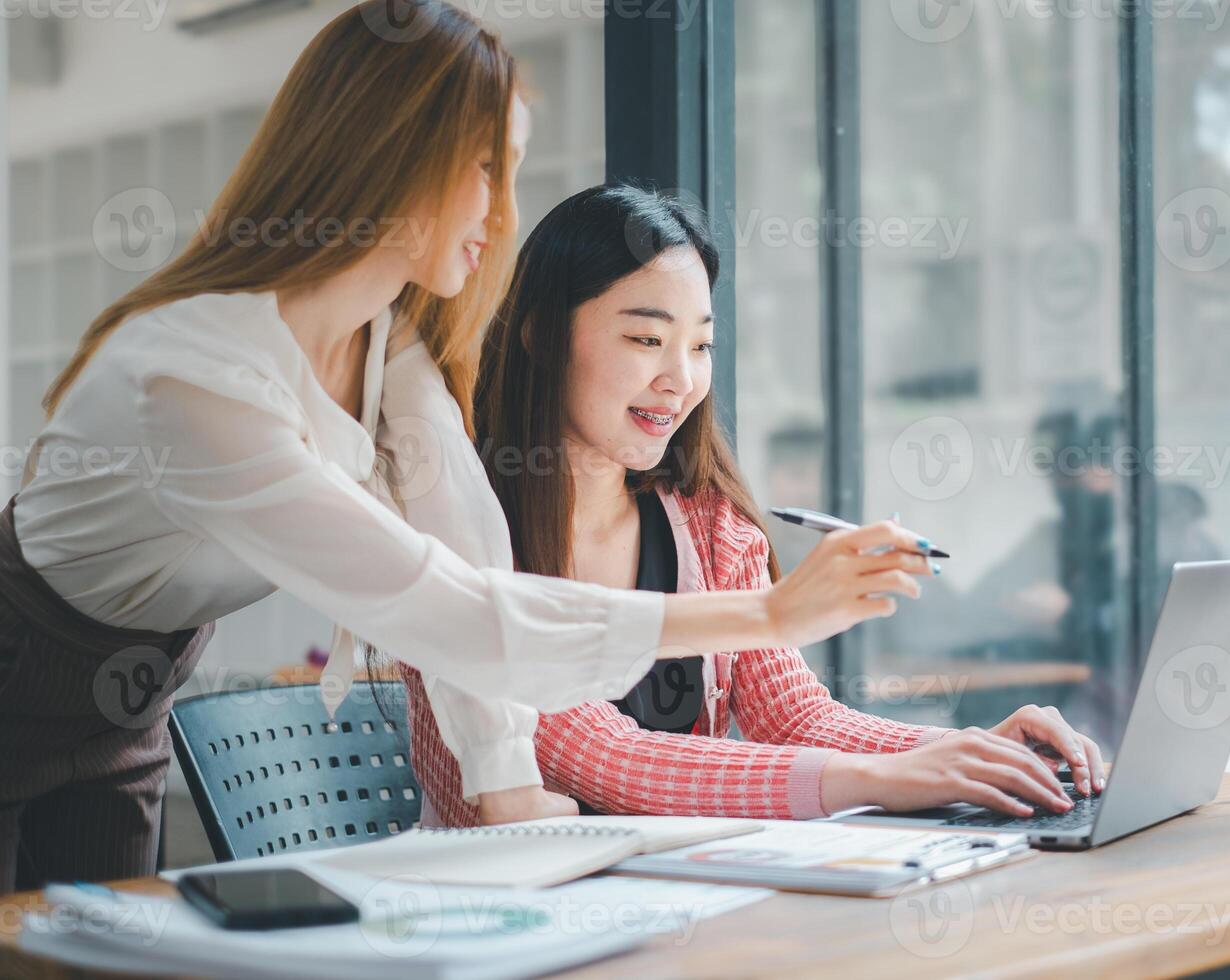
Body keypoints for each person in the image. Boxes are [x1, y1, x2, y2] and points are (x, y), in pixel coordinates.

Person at [0, 2, 930, 892]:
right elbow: (447, 605)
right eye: (488, 168)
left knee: (84, 950)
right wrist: (766, 615)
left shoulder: (389, 345)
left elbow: (463, 546)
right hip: (18, 657)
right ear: (392, 153)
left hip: (133, 689)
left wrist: (503, 782)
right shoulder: (199, 378)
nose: (502, 213)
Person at [400, 185, 1104, 826]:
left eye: (701, 345)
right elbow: (610, 762)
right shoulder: (462, 528)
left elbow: (793, 715)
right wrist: (880, 778)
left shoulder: (707, 525)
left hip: (688, 908)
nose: (680, 379)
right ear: (541, 336)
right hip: (512, 930)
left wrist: (965, 749)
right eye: (647, 339)